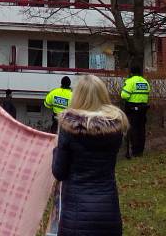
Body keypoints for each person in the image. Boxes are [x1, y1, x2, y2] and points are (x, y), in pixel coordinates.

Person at [52, 74, 129, 236]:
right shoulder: (115, 128)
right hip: (108, 210)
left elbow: (59, 172)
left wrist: (56, 149)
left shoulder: (68, 128)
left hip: (76, 213)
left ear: (78, 96)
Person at [120, 65, 151, 158]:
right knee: (141, 129)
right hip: (143, 108)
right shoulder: (145, 82)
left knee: (133, 130)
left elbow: (124, 95)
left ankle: (134, 151)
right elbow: (147, 93)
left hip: (132, 108)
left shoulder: (130, 81)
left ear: (131, 73)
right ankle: (140, 151)